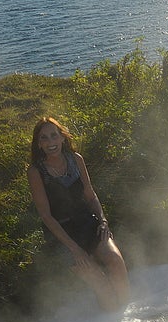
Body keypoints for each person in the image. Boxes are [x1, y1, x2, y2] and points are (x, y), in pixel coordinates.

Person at [27, 117, 130, 311]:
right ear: (39, 144)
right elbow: (46, 216)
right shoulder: (36, 172)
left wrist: (103, 221)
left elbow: (90, 196)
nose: (51, 142)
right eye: (45, 138)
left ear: (62, 138)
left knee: (116, 262)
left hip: (87, 223)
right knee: (100, 281)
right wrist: (75, 249)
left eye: (54, 136)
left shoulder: (75, 159)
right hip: (61, 236)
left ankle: (130, 321)